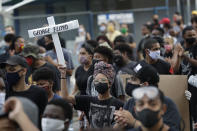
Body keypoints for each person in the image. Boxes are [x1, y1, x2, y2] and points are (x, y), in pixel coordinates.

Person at [114, 61, 181, 130]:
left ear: (145, 85)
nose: (129, 81)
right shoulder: (131, 102)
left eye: (133, 79)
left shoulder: (166, 103)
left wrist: (133, 122)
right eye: (140, 104)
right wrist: (120, 123)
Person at [59, 61, 124, 128]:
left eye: (103, 80)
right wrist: (63, 74)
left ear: (110, 83)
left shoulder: (119, 105)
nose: (99, 83)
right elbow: (65, 97)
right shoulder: (88, 100)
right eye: (96, 81)